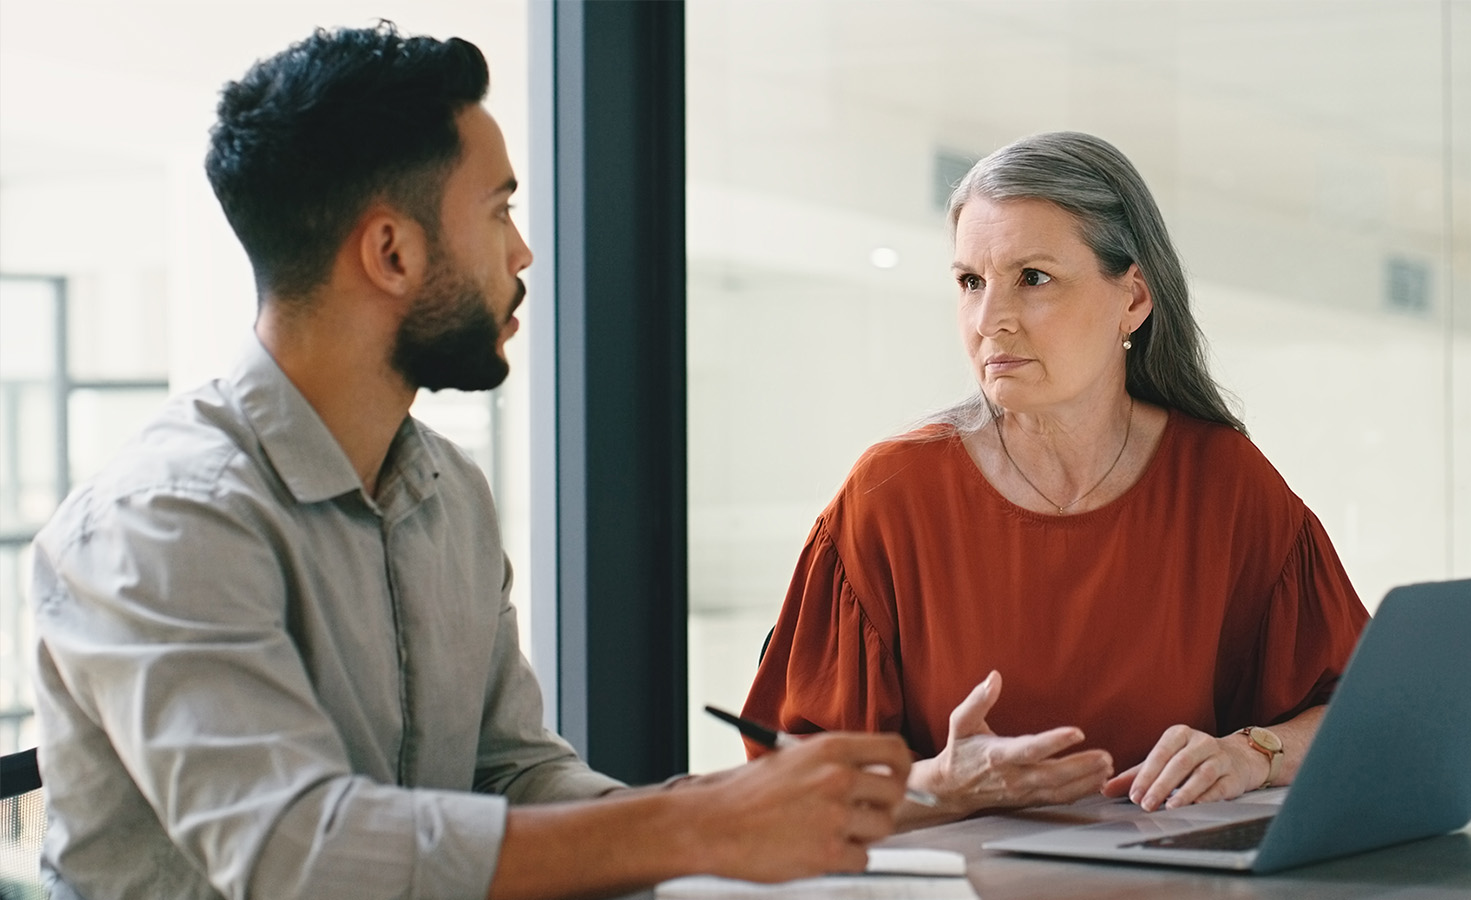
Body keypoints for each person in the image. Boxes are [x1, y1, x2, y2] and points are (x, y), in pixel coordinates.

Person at [27, 23, 911, 900]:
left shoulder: (449, 492)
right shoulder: (165, 520)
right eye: (499, 211)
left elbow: (515, 776)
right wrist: (701, 826)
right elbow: (298, 856)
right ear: (392, 252)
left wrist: (774, 809)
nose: (523, 253)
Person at [742, 131, 1371, 830]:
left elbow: (1362, 707)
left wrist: (1257, 752)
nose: (989, 321)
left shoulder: (1225, 482)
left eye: (1032, 278)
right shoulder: (889, 497)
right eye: (970, 282)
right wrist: (941, 785)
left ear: (1132, 298)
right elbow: (784, 787)